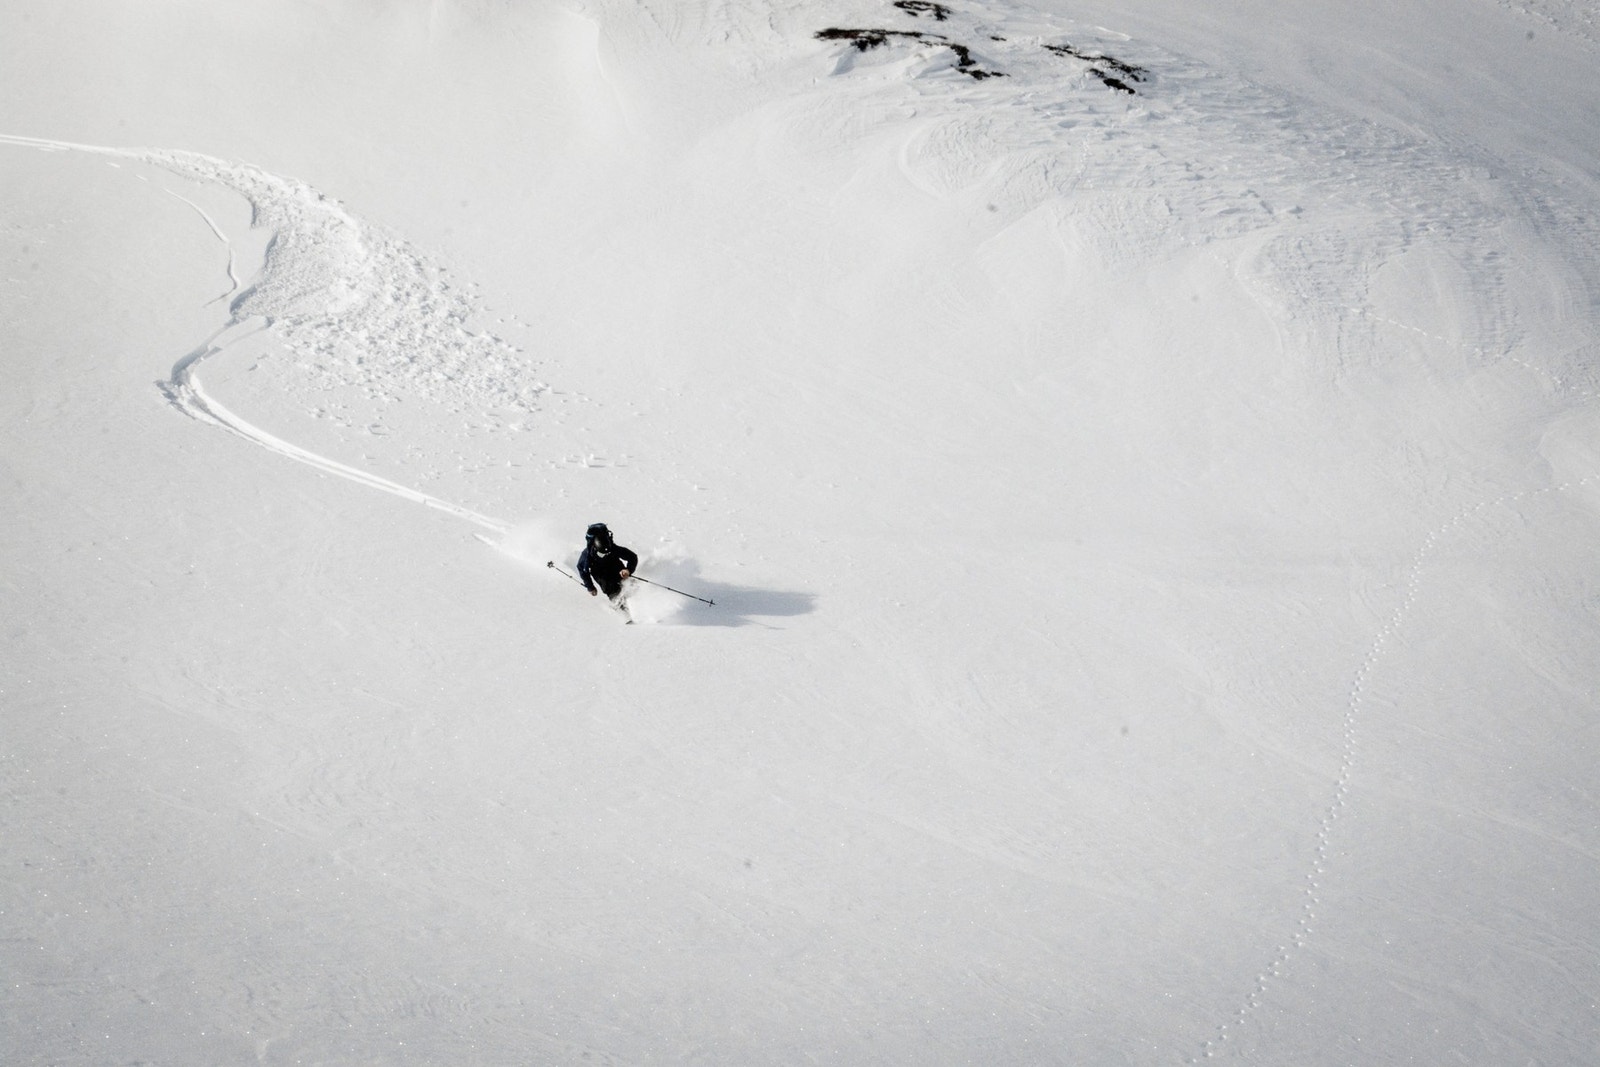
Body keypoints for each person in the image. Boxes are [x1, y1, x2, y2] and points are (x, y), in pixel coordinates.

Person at [577, 522, 638, 601]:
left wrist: (628, 570)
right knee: (612, 590)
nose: (605, 555)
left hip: (616, 568)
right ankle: (620, 606)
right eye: (602, 554)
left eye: (607, 553)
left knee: (632, 586)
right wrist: (590, 587)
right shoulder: (587, 555)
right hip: (600, 574)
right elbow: (582, 569)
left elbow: (632, 557)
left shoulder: (613, 548)